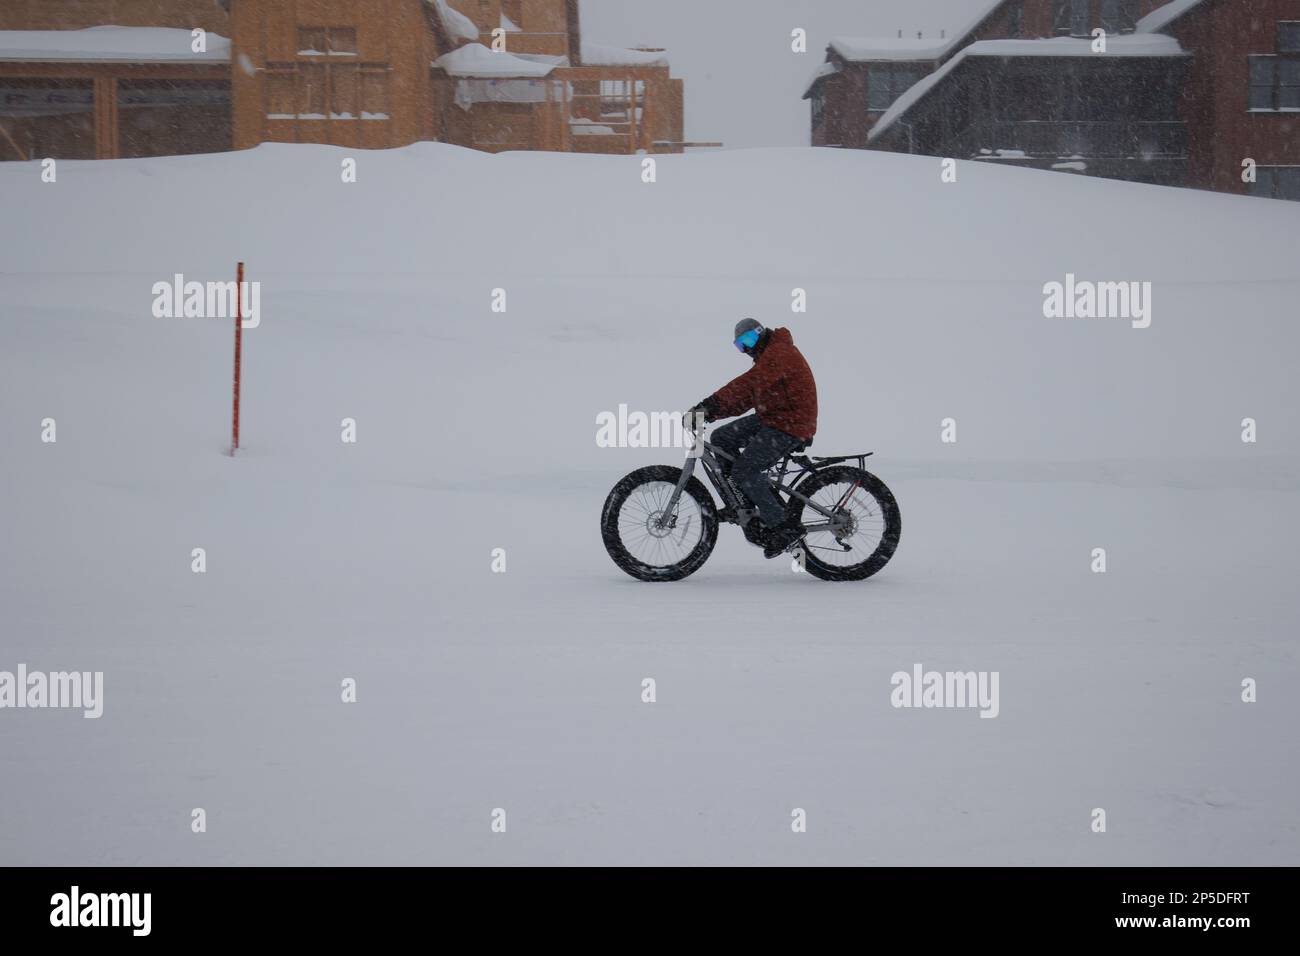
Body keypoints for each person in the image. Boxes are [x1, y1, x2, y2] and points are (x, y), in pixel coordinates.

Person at [686, 318, 818, 558]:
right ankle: (742, 503)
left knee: (746, 471)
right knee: (721, 437)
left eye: (749, 340)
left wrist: (710, 404)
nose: (747, 348)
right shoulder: (767, 359)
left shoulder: (779, 352)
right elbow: (746, 399)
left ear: (761, 332)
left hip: (792, 423)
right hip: (774, 418)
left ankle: (784, 527)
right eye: (741, 345)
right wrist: (713, 413)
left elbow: (748, 384)